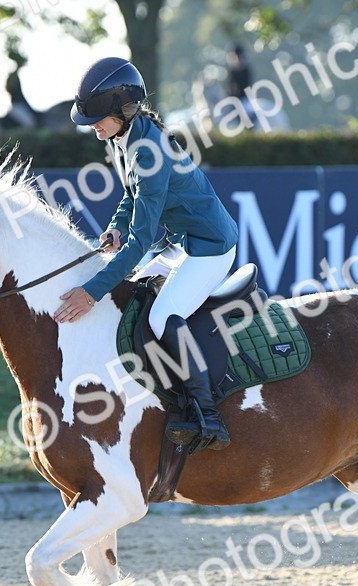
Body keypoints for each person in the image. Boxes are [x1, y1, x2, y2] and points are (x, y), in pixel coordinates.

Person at [55, 56, 239, 451]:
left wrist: (91, 292)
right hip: (182, 241)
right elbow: (131, 194)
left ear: (123, 111)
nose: (92, 126)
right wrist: (117, 226)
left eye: (98, 119)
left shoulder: (147, 152)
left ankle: (207, 414)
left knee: (162, 316)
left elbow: (140, 243)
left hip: (210, 248)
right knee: (135, 295)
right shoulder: (126, 137)